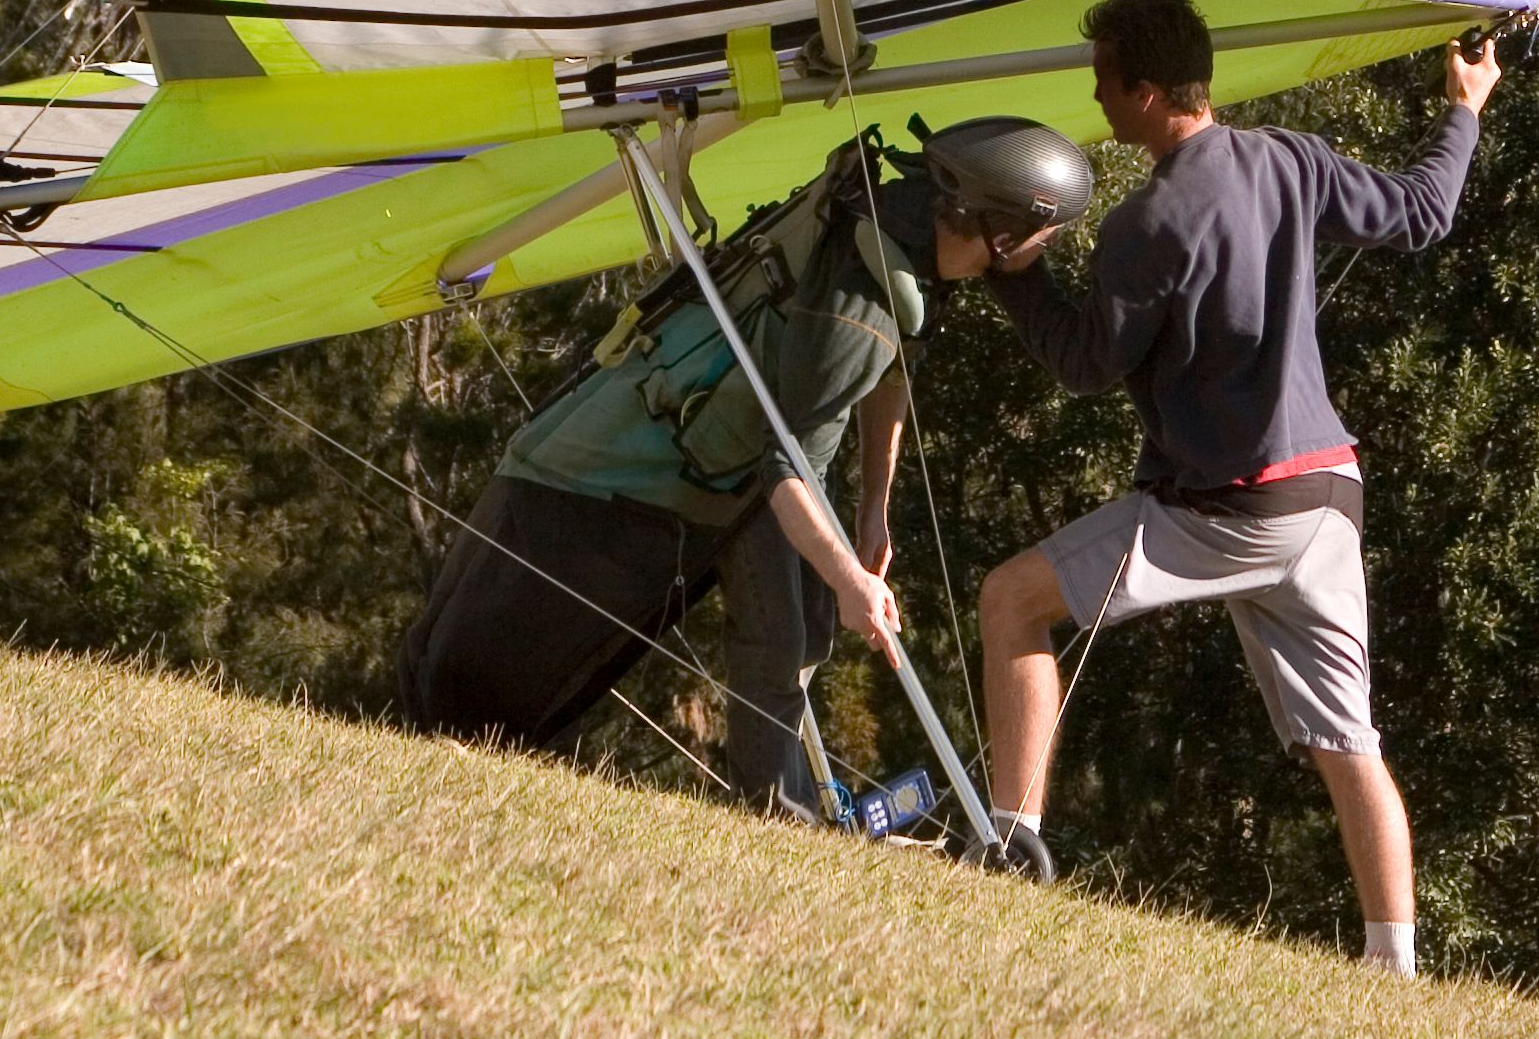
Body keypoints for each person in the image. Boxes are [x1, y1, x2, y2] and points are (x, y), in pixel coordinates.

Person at [939, 0, 1499, 974]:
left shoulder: (1149, 221)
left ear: (1150, 91)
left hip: (1231, 507)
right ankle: (1395, 962)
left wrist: (1010, 272)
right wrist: (1465, 104)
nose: (1098, 101)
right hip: (1329, 497)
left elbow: (1082, 363)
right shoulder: (1290, 155)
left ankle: (1011, 841)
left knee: (1011, 601)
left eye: (1105, 83)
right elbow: (1423, 210)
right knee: (1349, 739)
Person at [397, 121, 1086, 817]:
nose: (1042, 254)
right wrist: (851, 581)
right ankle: (775, 807)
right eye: (1040, 238)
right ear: (996, 232)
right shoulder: (855, 311)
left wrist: (874, 502)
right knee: (467, 697)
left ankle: (777, 811)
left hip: (736, 469)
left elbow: (892, 369)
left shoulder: (906, 228)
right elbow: (789, 464)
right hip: (618, 481)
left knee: (794, 629)